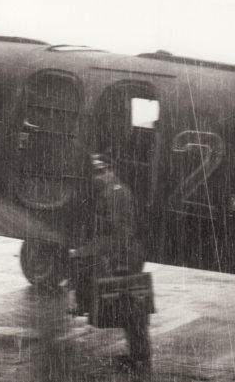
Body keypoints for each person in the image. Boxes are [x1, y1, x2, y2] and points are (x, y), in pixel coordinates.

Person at [74, 154, 152, 381]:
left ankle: (140, 359)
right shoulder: (112, 191)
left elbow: (121, 230)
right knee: (130, 307)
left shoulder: (115, 192)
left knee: (133, 307)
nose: (98, 177)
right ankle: (138, 356)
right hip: (124, 253)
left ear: (111, 171)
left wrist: (120, 260)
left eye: (102, 171)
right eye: (95, 173)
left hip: (125, 255)